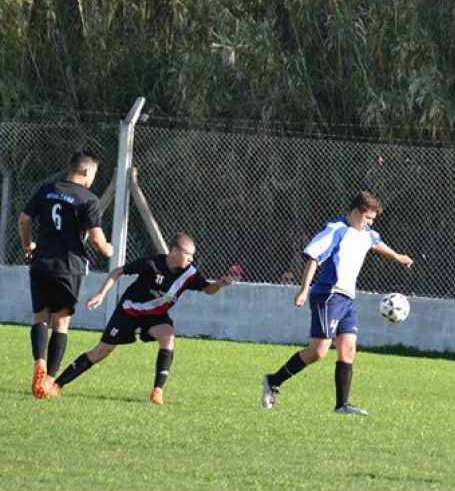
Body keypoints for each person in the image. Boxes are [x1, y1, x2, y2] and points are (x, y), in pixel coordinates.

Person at [261, 191, 413, 415]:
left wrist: (397, 257)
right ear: (354, 212)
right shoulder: (336, 230)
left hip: (348, 298)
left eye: (372, 220)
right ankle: (273, 380)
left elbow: (377, 242)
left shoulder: (366, 233)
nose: (370, 223)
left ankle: (342, 405)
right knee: (319, 351)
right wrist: (304, 290)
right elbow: (314, 258)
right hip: (328, 295)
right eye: (367, 218)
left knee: (348, 349)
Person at [45, 233, 232, 405]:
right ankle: (57, 385)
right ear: (174, 252)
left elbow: (207, 289)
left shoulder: (189, 274)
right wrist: (101, 294)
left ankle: (157, 392)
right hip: (129, 311)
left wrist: (219, 285)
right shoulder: (152, 264)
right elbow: (118, 271)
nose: (192, 259)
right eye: (189, 254)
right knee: (101, 351)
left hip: (155, 315)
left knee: (168, 336)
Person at [18, 150, 115, 399]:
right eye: (94, 173)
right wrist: (108, 249)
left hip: (41, 263)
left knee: (40, 318)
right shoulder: (88, 199)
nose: (94, 178)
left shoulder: (46, 190)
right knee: (60, 324)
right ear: (84, 171)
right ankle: (48, 381)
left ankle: (38, 361)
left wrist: (28, 245)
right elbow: (96, 238)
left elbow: (23, 220)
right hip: (68, 267)